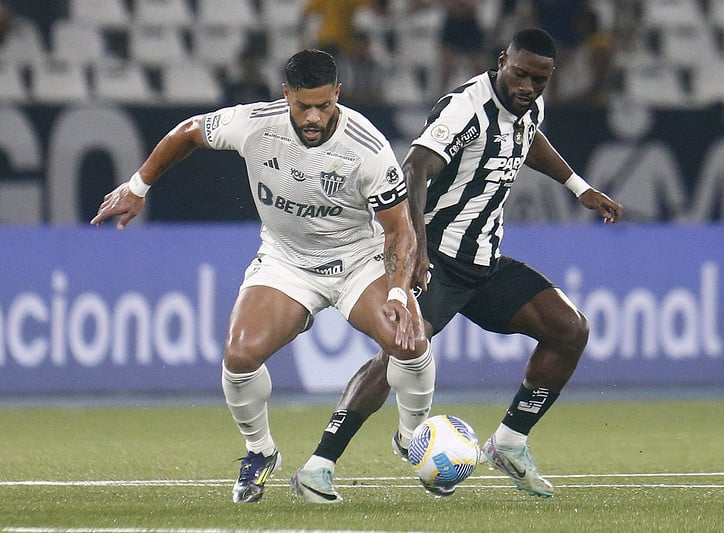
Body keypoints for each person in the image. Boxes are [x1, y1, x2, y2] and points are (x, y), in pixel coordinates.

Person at [90, 49, 435, 505]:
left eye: (324, 106)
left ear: (338, 95)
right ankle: (260, 451)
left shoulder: (368, 150)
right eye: (302, 105)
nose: (313, 117)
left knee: (408, 340)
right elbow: (189, 131)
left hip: (357, 259)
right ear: (285, 94)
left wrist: (395, 289)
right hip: (286, 260)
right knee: (239, 356)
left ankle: (413, 437)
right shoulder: (254, 122)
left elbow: (399, 229)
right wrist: (138, 186)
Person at [304, 28, 623, 499]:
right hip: (440, 262)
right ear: (502, 61)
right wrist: (417, 246)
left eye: (539, 80)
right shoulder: (465, 109)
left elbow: (529, 138)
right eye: (520, 75)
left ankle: (509, 442)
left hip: (485, 263)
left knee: (569, 329)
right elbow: (414, 166)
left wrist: (580, 187)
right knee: (402, 349)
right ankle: (318, 464)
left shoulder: (526, 107)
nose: (528, 88)